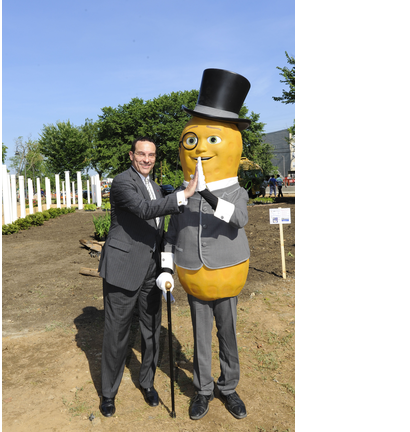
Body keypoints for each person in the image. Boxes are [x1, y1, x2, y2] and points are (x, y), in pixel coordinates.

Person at [159, 68, 252, 421]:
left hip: (226, 275)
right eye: (193, 140)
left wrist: (208, 194)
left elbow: (238, 218)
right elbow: (170, 233)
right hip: (194, 276)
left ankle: (229, 387)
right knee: (200, 337)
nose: (199, 148)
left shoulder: (235, 191)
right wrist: (166, 269)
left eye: (212, 140)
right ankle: (202, 389)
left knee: (227, 335)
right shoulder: (181, 195)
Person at [97, 137, 199, 418]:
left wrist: (166, 266)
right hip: (123, 268)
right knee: (117, 334)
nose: (146, 159)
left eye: (151, 155)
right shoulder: (122, 183)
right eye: (141, 154)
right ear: (132, 155)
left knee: (152, 331)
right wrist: (182, 195)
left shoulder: (156, 188)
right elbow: (143, 210)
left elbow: (160, 231)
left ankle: (147, 382)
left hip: (151, 272)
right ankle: (108, 393)